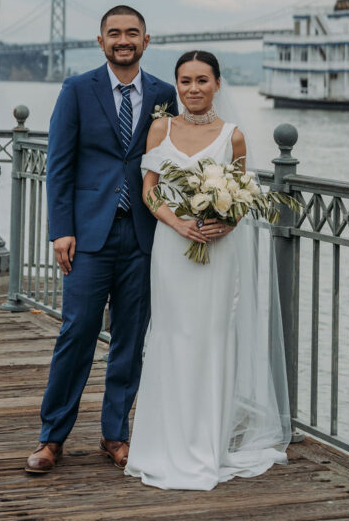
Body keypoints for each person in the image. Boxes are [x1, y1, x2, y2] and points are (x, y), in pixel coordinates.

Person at [125, 49, 291, 490]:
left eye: (202, 80)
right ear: (176, 86)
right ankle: (163, 442)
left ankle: (206, 445)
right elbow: (149, 190)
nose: (193, 89)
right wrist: (178, 223)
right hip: (171, 248)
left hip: (217, 251)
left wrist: (225, 221)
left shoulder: (233, 136)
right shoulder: (161, 127)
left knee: (214, 339)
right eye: (185, 81)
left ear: (218, 84)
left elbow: (239, 196)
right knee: (172, 335)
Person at [25, 5, 178, 474]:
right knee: (77, 334)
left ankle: (116, 434)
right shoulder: (76, 90)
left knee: (130, 339)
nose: (123, 40)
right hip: (88, 236)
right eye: (115, 33)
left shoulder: (164, 94)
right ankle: (52, 438)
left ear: (146, 41)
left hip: (143, 236)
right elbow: (60, 165)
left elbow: (174, 163)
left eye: (132, 32)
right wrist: (61, 230)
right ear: (101, 41)